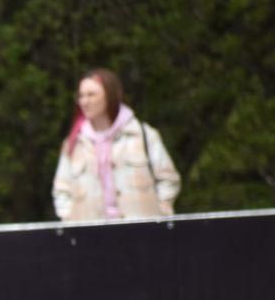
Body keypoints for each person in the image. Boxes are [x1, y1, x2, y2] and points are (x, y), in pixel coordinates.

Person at [52, 68, 181, 221]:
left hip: (140, 231)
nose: (84, 101)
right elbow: (61, 191)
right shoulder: (73, 143)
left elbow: (168, 180)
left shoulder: (142, 135)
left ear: (110, 95)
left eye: (91, 95)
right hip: (91, 233)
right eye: (81, 96)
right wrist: (70, 219)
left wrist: (160, 213)